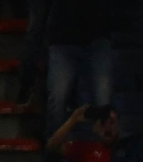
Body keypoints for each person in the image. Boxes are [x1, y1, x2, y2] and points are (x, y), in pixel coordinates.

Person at [44, 0, 114, 133]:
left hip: (97, 33)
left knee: (103, 100)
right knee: (58, 99)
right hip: (63, 35)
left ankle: (101, 150)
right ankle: (55, 149)